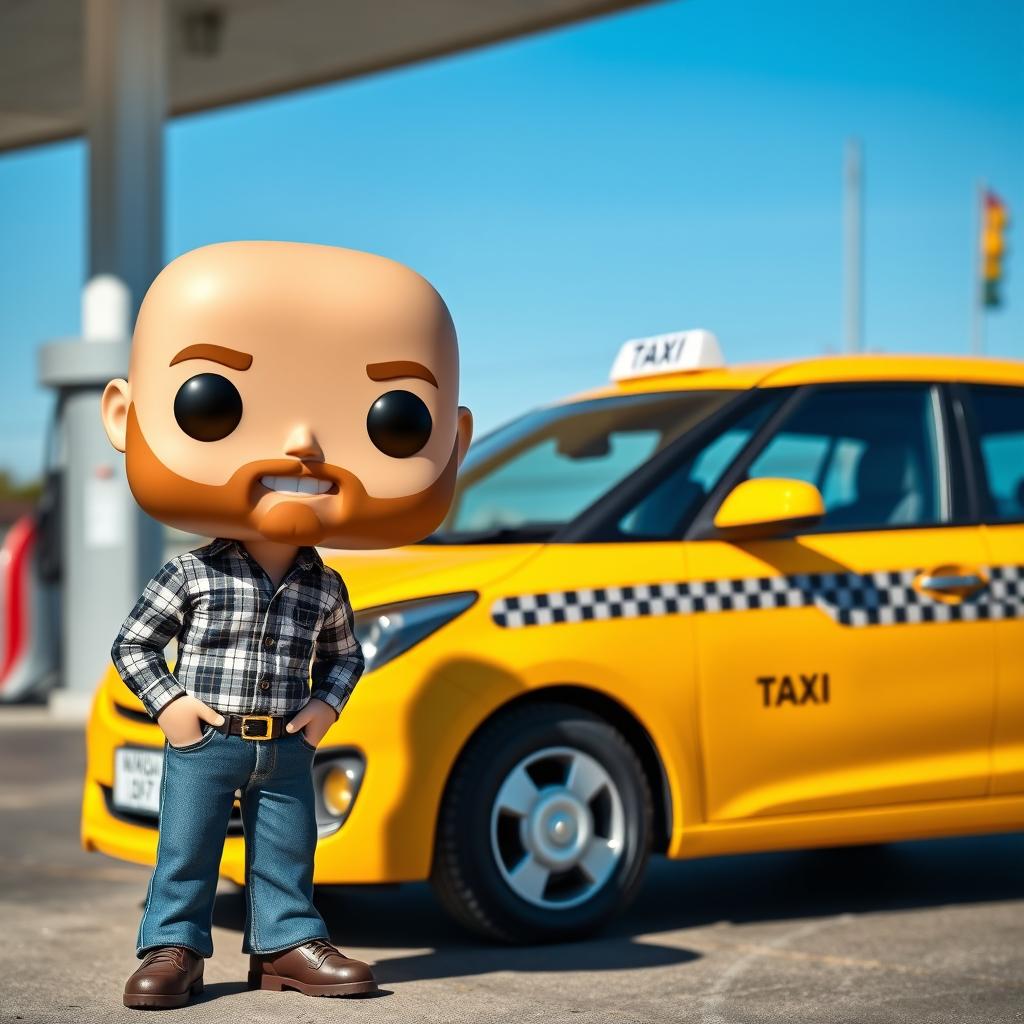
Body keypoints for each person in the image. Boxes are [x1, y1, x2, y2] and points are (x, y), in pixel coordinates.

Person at [102, 241, 473, 1009]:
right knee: (187, 849)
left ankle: (284, 943)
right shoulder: (192, 572)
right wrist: (173, 709)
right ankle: (173, 947)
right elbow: (135, 643)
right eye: (216, 399)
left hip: (287, 743)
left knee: (285, 850)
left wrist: (324, 708)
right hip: (208, 736)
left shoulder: (323, 584)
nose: (303, 443)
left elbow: (347, 655)